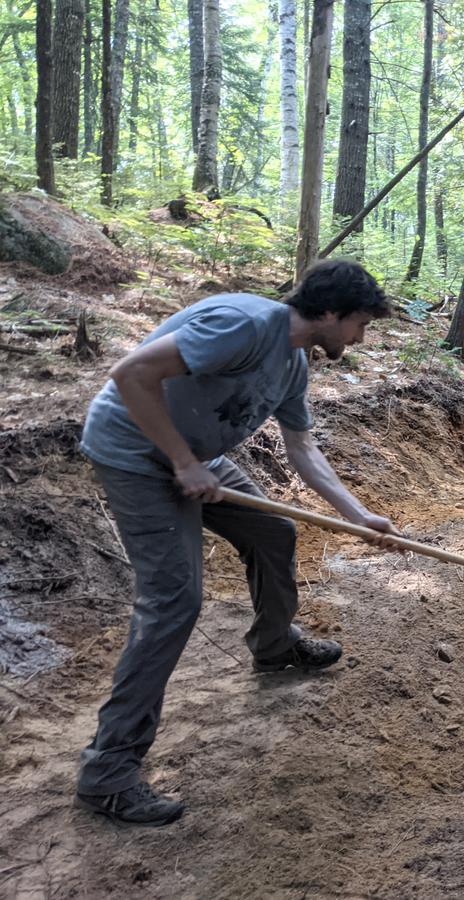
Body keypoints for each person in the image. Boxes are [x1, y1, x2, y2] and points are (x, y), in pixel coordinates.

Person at [74, 259, 400, 826]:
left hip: (199, 459)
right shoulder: (243, 324)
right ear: (328, 312)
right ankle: (108, 774)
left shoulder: (295, 363)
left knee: (274, 531)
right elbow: (130, 375)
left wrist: (361, 515)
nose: (360, 337)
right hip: (135, 455)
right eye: (361, 324)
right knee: (174, 601)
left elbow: (303, 451)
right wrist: (180, 461)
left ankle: (275, 648)